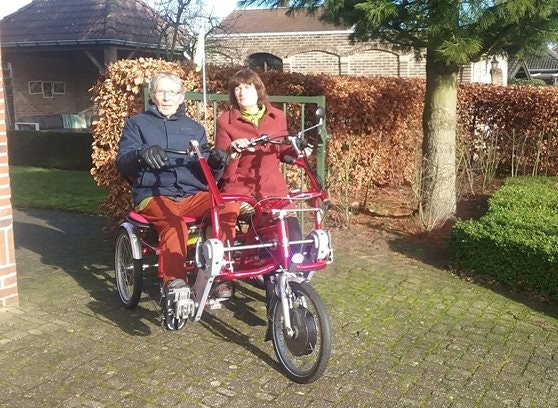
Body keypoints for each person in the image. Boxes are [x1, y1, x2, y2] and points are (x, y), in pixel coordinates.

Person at [115, 72, 231, 308]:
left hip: (191, 193)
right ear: (153, 95)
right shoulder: (137, 124)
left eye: (172, 92)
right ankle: (175, 284)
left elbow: (206, 173)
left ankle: (217, 274)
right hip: (155, 194)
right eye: (161, 91)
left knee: (226, 209)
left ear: (181, 97)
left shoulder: (194, 128)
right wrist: (140, 154)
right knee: (173, 223)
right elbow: (122, 162)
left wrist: (216, 163)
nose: (167, 97)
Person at [215, 68, 297, 244]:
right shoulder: (225, 121)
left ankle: (291, 268)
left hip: (272, 188)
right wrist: (234, 151)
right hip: (240, 190)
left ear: (258, 90)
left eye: (247, 87)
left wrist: (298, 151)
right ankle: (225, 262)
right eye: (237, 88)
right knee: (231, 223)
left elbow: (282, 150)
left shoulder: (278, 117)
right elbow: (222, 169)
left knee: (292, 230)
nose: (242, 93)